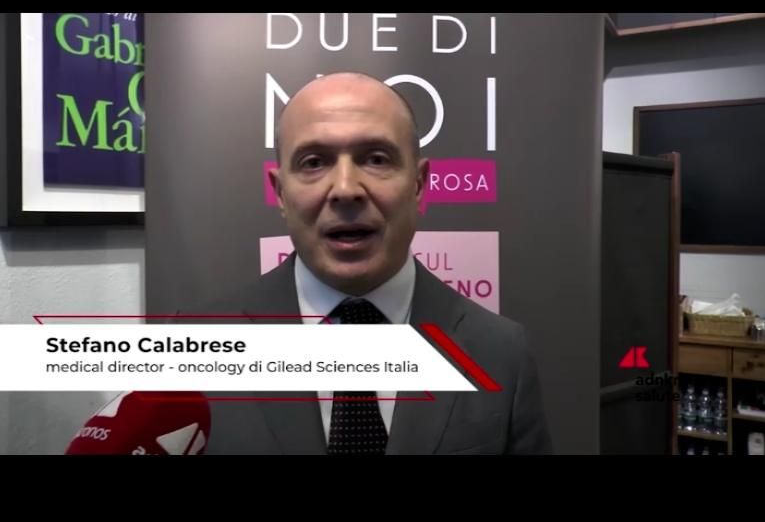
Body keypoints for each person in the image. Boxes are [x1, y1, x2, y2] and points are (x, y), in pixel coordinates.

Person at [199, 72, 553, 455]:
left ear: (419, 184)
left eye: (376, 159)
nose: (346, 189)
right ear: (280, 192)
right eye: (314, 162)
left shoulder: (501, 353)